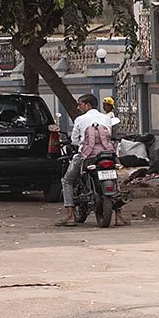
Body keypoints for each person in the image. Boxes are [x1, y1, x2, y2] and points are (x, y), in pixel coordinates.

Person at [59, 94, 117, 226]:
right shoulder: (106, 118)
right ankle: (119, 217)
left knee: (67, 181)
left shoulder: (80, 119)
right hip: (108, 155)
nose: (78, 107)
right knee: (114, 181)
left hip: (87, 157)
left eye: (80, 104)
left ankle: (70, 216)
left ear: (88, 105)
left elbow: (74, 140)